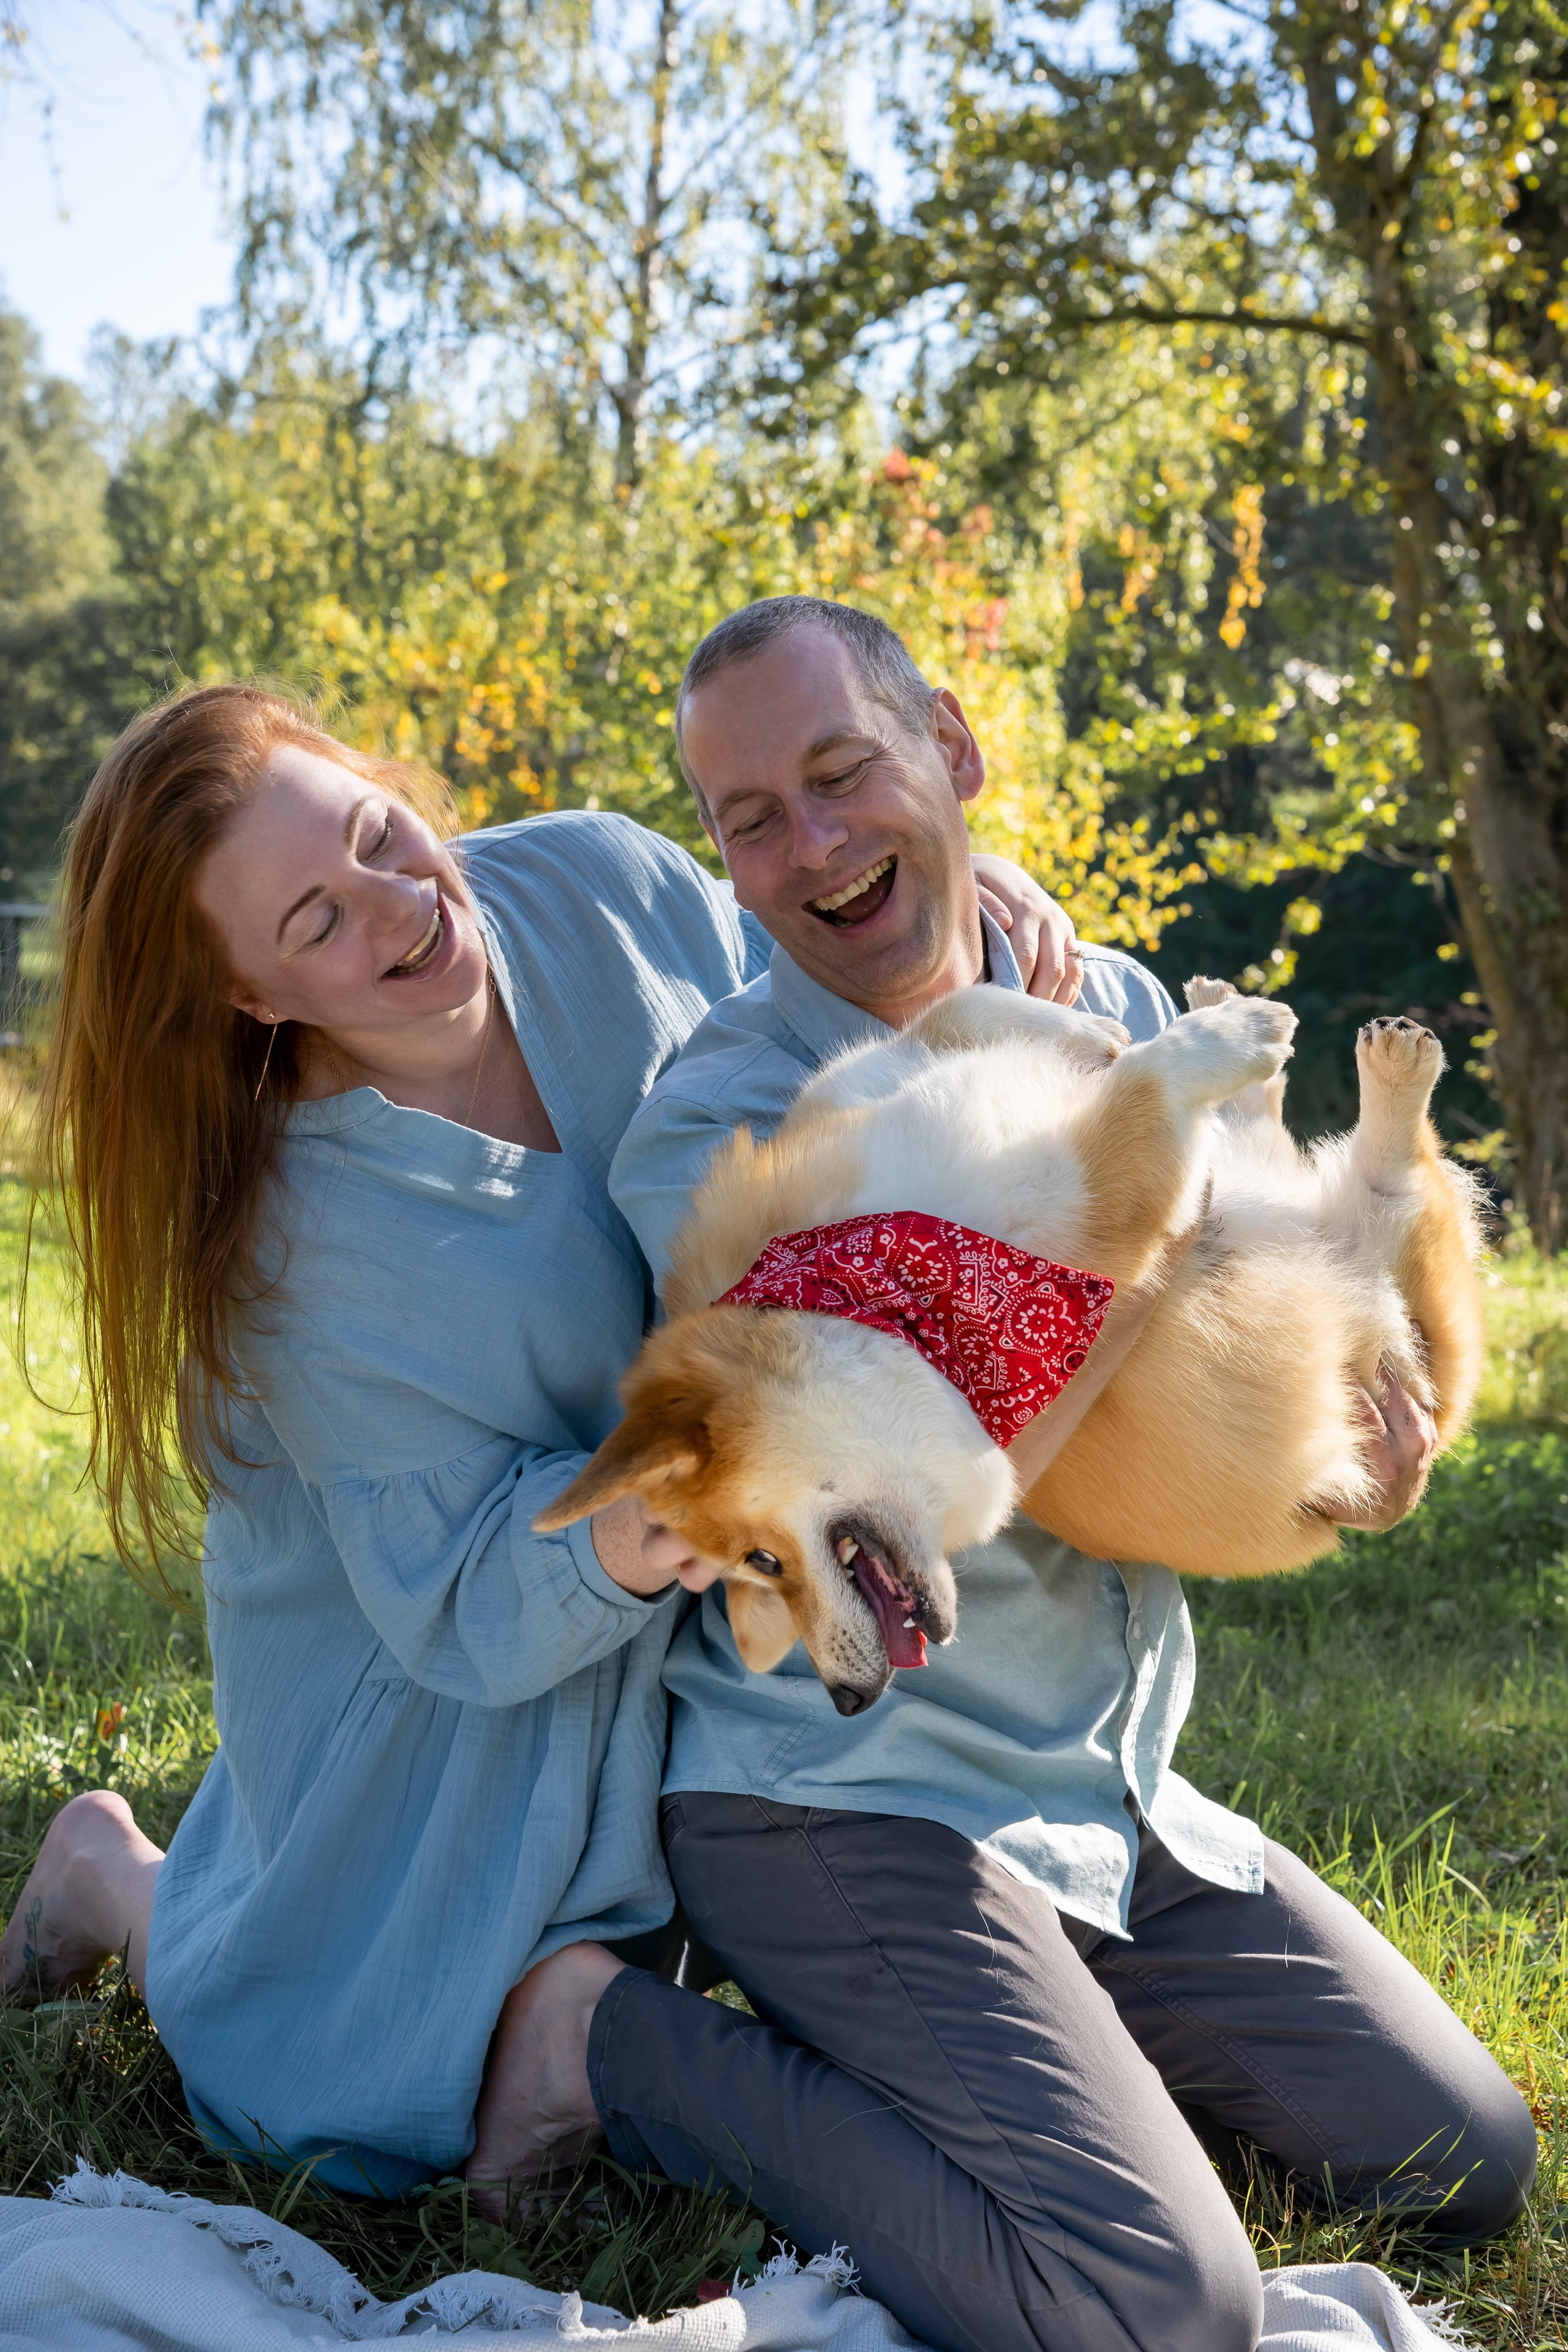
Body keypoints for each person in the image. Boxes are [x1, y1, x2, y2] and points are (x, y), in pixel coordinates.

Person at [473, 600, 1536, 2352]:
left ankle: (1036, 2038)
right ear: (725, 867)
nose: (810, 844)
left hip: (1102, 1787)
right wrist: (1142, 1214)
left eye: (844, 773)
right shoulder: (719, 1131)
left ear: (951, 754)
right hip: (842, 1797)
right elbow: (932, 1454)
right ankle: (607, 2040)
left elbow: (1255, 1357)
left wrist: (1353, 1466)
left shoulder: (1103, 1004)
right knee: (1149, 2309)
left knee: (1453, 2155)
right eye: (750, 819)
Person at [0, 677, 1068, 2195]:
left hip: (687, 1618)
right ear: (251, 997)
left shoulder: (591, 881)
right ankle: (118, 1876)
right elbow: (469, 1617)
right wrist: (663, 1510)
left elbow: (801, 979)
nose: (395, 908)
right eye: (313, 921)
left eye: (380, 836)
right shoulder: (296, 1264)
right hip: (434, 1678)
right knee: (339, 2103)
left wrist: (959, 909)